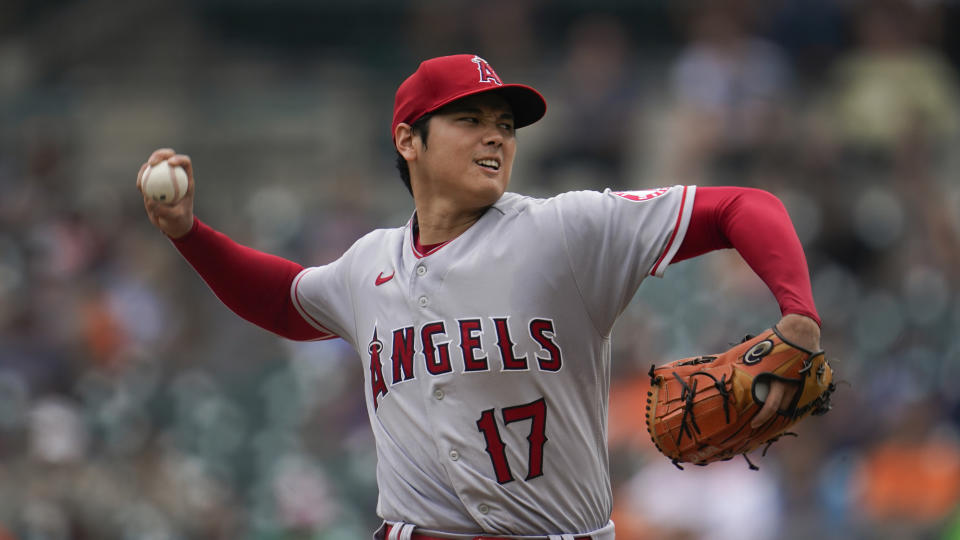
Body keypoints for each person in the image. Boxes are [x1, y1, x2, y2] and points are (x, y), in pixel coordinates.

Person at [137, 54, 822, 540]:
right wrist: (188, 234)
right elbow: (285, 301)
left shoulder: (566, 230)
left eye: (505, 122)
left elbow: (744, 205)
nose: (496, 133)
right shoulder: (368, 264)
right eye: (469, 118)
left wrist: (800, 315)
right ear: (408, 139)